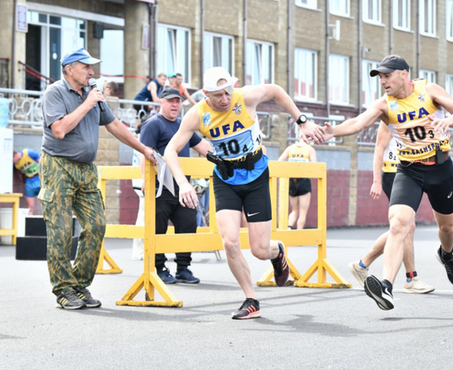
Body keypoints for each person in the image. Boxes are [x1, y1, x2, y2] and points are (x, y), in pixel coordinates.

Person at [164, 66, 324, 319]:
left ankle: (277, 251)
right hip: (226, 179)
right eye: (218, 95)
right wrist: (183, 183)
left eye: (228, 92)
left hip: (257, 175)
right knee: (229, 242)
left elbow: (276, 91)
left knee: (260, 250)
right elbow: (170, 150)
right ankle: (251, 300)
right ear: (206, 94)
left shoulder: (245, 96)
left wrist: (301, 120)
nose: (225, 99)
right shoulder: (197, 115)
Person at [318, 55, 453, 310]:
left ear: (403, 74)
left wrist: (447, 120)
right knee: (399, 224)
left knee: (447, 229)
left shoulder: (428, 90)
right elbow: (357, 122)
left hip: (440, 168)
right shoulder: (384, 105)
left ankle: (446, 254)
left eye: (387, 76)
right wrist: (333, 131)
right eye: (380, 77)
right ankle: (387, 286)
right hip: (408, 170)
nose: (383, 82)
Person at [39, 47, 156, 310]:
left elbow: (114, 125)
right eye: (86, 67)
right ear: (69, 69)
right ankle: (63, 289)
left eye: (92, 67)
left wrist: (143, 149)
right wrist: (88, 103)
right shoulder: (55, 93)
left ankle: (79, 285)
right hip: (57, 166)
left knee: (96, 225)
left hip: (85, 169)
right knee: (60, 230)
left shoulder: (93, 94)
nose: (92, 72)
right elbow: (59, 130)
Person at [348, 122, 435, 294]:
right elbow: (379, 148)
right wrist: (376, 181)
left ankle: (362, 265)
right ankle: (411, 279)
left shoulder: (416, 115)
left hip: (410, 173)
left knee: (404, 227)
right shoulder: (391, 117)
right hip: (393, 174)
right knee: (407, 226)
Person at [139, 86, 212, 284]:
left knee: (188, 225)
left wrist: (220, 159)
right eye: (170, 101)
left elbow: (202, 146)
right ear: (161, 102)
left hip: (183, 187)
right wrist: (145, 181)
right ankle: (159, 267)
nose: (174, 105)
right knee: (158, 229)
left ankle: (183, 268)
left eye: (177, 101)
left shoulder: (183, 125)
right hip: (160, 187)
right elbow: (144, 153)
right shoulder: (153, 124)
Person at [277, 139, 317, 230]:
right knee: (303, 212)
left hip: (292, 180)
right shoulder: (310, 149)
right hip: (303, 180)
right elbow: (315, 166)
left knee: (294, 210)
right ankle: (299, 233)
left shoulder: (290, 149)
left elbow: (279, 161)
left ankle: (289, 227)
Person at [13, 149, 41, 215]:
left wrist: (44, 180)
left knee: (46, 204)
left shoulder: (29, 153)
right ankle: (30, 223)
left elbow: (43, 164)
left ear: (15, 156)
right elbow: (20, 175)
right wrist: (23, 186)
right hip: (29, 182)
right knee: (30, 207)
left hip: (39, 178)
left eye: (13, 160)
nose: (14, 162)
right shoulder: (16, 165)